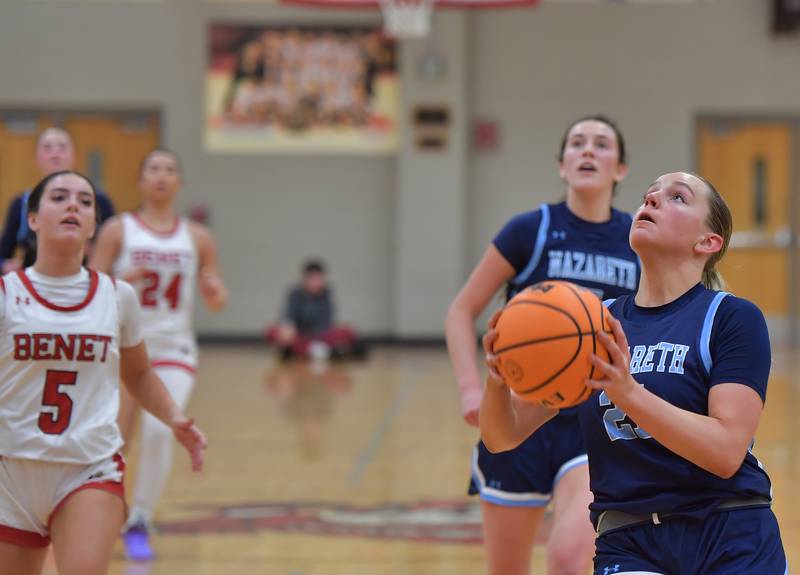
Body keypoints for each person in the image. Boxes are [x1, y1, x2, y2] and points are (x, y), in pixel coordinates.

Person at [481, 172, 787, 574]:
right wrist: (500, 377)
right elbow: (502, 436)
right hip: (629, 540)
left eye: (677, 197)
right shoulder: (593, 325)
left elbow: (726, 452)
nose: (654, 200)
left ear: (708, 242)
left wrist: (627, 392)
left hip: (730, 529)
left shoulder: (731, 317)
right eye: (649, 195)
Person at [445, 115, 640, 575]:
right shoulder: (530, 229)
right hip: (521, 414)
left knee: (571, 560)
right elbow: (460, 311)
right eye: (576, 143)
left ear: (621, 169)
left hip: (591, 418)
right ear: (561, 164)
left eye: (601, 144)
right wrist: (471, 389)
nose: (588, 151)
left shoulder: (637, 239)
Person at [0, 170, 206, 575]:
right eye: (59, 197)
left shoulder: (117, 297)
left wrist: (175, 418)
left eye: (85, 201)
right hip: (11, 467)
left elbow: (140, 374)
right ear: (34, 219)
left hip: (88, 465)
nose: (74, 205)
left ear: (94, 225)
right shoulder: (7, 295)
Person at [89, 149, 228, 561]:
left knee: (160, 429)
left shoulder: (198, 237)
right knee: (112, 438)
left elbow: (218, 297)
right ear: (140, 180)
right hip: (120, 346)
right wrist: (117, 280)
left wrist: (214, 292)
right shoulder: (118, 230)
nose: (162, 176)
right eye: (154, 169)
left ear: (180, 182)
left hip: (173, 349)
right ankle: (101, 512)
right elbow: (90, 286)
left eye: (170, 170)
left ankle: (140, 520)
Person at [0, 128, 114, 273]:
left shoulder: (99, 200)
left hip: (86, 282)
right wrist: (4, 265)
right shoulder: (21, 203)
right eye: (47, 148)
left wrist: (98, 252)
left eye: (62, 147)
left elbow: (116, 250)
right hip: (33, 284)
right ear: (36, 159)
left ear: (75, 157)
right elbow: (3, 252)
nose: (55, 153)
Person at [266, 258, 365, 361]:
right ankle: (326, 352)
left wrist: (314, 335)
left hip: (319, 335)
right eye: (312, 279)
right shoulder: (295, 293)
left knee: (347, 331)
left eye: (319, 279)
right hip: (298, 334)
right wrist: (288, 326)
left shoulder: (327, 293)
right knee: (272, 331)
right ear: (305, 279)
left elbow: (326, 321)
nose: (316, 282)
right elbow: (288, 315)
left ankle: (302, 351)